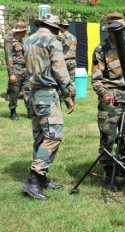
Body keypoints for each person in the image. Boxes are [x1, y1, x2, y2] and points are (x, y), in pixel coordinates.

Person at [21, 14, 75, 200]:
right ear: (53, 27)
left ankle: (41, 178)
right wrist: (68, 94)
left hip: (31, 93)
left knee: (40, 135)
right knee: (54, 135)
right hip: (47, 94)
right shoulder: (53, 40)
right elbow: (60, 69)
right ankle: (33, 178)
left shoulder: (28, 40)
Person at [91, 12, 125, 191]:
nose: (120, 32)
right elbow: (96, 79)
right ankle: (109, 175)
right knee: (108, 137)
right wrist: (103, 93)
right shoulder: (100, 50)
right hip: (110, 97)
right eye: (115, 29)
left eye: (122, 28)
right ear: (108, 30)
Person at [4, 21, 30, 120]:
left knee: (28, 90)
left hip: (25, 69)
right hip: (16, 69)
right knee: (14, 91)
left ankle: (29, 111)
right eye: (24, 31)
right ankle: (13, 112)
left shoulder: (23, 40)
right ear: (21, 31)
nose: (25, 32)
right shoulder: (10, 40)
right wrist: (11, 74)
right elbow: (8, 57)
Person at [59, 19, 77, 101]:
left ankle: (60, 98)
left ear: (61, 27)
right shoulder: (74, 37)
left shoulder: (60, 38)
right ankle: (72, 98)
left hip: (64, 61)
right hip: (73, 61)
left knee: (61, 80)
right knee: (72, 81)